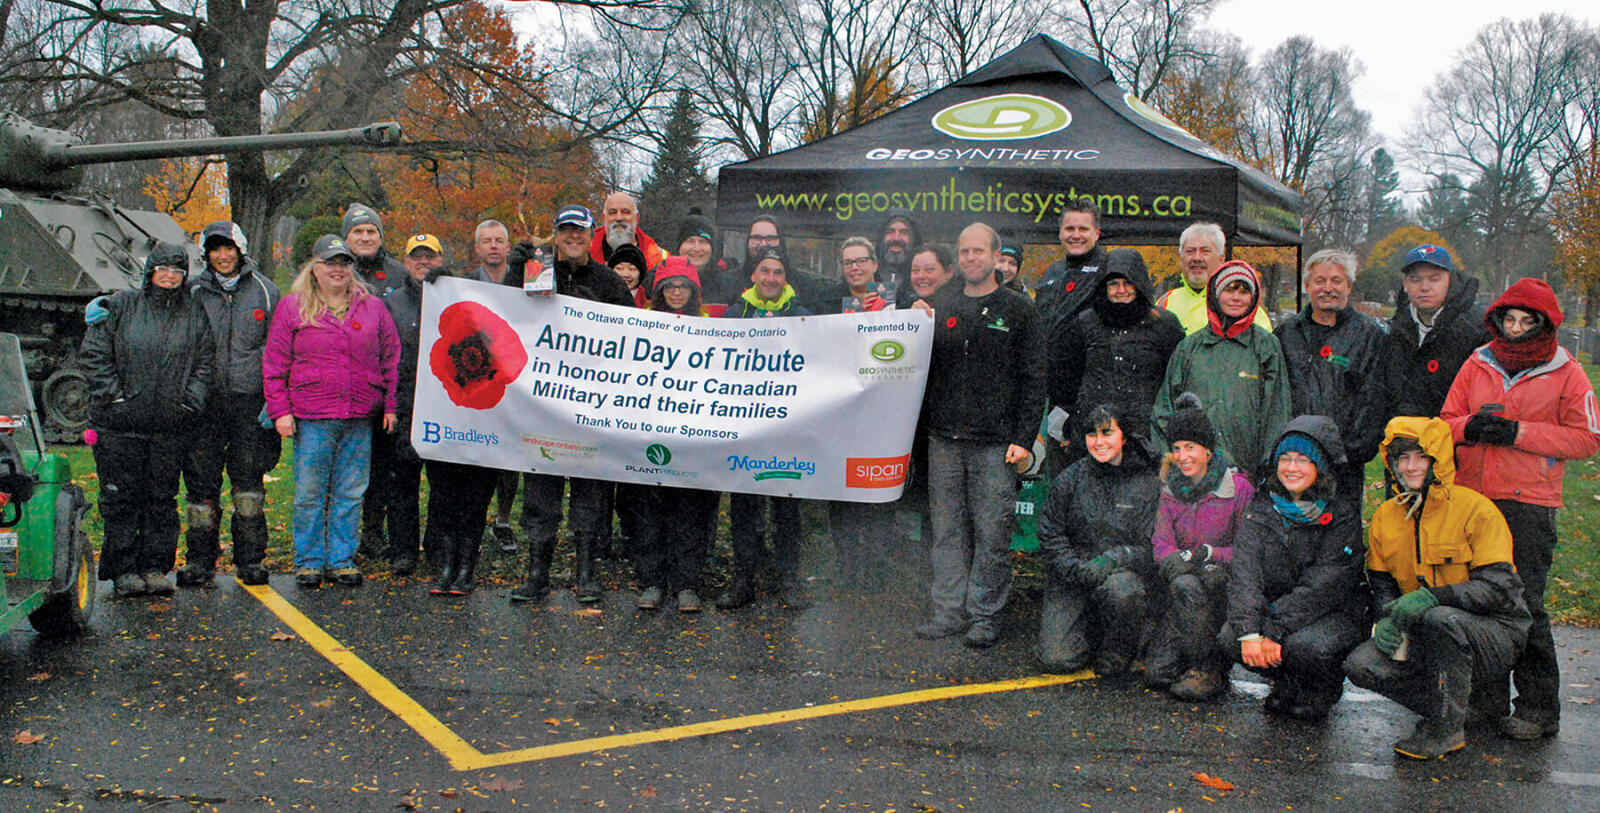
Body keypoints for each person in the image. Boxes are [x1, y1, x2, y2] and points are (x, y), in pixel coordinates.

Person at [1440, 278, 1600, 740]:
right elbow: (1446, 421)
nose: (1514, 329)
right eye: (1508, 320)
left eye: (1525, 322)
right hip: (1474, 498)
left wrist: (1519, 434)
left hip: (1529, 502)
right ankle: (1484, 701)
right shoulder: (1478, 361)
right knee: (1477, 600)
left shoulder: (1567, 372)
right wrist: (1474, 427)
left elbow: (1587, 437)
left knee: (1524, 602)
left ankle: (1538, 706)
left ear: (1544, 324)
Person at [1345, 417, 1530, 760]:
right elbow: (1382, 585)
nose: (1410, 466)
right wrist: (1386, 620)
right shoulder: (1386, 516)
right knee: (1361, 664)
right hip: (1427, 632)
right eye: (1402, 458)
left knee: (1441, 619)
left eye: (1420, 456)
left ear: (1438, 460)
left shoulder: (1476, 510)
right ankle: (1462, 708)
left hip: (1496, 632)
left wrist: (1433, 597)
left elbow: (1499, 589)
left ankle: (1445, 731)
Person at [912, 223, 1044, 648]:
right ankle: (948, 611)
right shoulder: (939, 305)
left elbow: (1032, 377)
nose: (971, 258)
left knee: (992, 533)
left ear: (995, 256)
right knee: (947, 532)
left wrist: (1024, 437)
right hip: (944, 439)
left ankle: (984, 614)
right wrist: (911, 323)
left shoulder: (1019, 309)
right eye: (964, 251)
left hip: (995, 444)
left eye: (978, 251)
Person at [507, 205, 635, 604]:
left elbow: (633, 339)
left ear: (591, 234)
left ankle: (586, 574)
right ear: (556, 234)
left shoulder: (609, 281)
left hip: (589, 406)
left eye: (580, 231)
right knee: (540, 495)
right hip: (543, 404)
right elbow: (509, 317)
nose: (573, 237)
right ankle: (537, 574)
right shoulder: (538, 272)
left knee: (589, 497)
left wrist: (593, 307)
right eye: (566, 231)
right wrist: (513, 272)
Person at [262, 235, 400, 588]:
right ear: (315, 268)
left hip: (358, 415)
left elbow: (390, 358)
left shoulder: (372, 307)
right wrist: (280, 410)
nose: (338, 270)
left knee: (350, 492)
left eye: (344, 263)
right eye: (330, 263)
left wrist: (389, 404)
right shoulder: (293, 307)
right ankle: (309, 560)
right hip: (312, 415)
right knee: (310, 492)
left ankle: (341, 558)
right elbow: (275, 362)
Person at [80, 242, 214, 598]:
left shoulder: (193, 312)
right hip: (121, 423)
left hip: (170, 425)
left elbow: (204, 361)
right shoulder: (122, 305)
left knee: (161, 499)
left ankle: (155, 566)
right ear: (149, 272)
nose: (169, 278)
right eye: (163, 270)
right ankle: (123, 568)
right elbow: (95, 354)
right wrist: (114, 396)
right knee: (121, 498)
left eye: (177, 272)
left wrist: (190, 402)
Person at [1221, 417, 1367, 720]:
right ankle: (1285, 682)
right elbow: (1245, 571)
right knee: (1230, 637)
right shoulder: (1261, 507)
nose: (1291, 467)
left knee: (1305, 646)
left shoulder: (1341, 513)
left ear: (1320, 466)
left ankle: (1320, 688)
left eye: (1303, 459)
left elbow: (1325, 585)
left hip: (1329, 613)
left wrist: (1274, 629)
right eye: (1285, 458)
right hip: (1279, 610)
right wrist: (1250, 632)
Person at [177, 221, 280, 588]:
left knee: (248, 487)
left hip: (250, 405)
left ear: (241, 250)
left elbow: (280, 349)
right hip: (203, 407)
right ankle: (200, 561)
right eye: (215, 250)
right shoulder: (191, 293)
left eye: (229, 248)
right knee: (201, 490)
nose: (223, 256)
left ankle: (251, 559)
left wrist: (275, 400)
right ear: (206, 254)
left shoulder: (266, 292)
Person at [716, 248, 813, 609]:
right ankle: (744, 579)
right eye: (764, 271)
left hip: (787, 429)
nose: (771, 278)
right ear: (753, 276)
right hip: (745, 427)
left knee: (787, 508)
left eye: (778, 272)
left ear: (786, 278)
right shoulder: (733, 314)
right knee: (744, 506)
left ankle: (789, 579)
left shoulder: (804, 317)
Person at [1034, 404, 1163, 675]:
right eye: (1092, 435)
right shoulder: (1070, 477)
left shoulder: (1147, 483)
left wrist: (1113, 559)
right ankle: (1090, 630)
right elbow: (1050, 532)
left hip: (1118, 575)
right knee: (1056, 659)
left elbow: (1152, 546)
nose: (1099, 442)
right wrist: (1073, 567)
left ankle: (1118, 648)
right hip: (1073, 574)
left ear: (1124, 437)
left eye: (1107, 433)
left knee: (1124, 592)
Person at [1145, 396, 1254, 700]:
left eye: (1190, 447)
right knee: (1157, 674)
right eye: (1176, 448)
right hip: (1185, 586)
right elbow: (1162, 543)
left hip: (1223, 585)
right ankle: (1190, 654)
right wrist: (1176, 560)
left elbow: (1249, 550)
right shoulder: (1171, 490)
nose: (1182, 456)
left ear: (1208, 450)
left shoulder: (1238, 489)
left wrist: (1211, 554)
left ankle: (1210, 665)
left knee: (1201, 581)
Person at [633, 257, 720, 613]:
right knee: (650, 512)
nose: (677, 292)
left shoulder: (711, 326)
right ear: (659, 291)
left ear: (695, 290)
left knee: (691, 512)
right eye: (670, 286)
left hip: (694, 435)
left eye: (684, 286)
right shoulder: (644, 325)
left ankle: (687, 584)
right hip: (650, 431)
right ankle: (652, 581)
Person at [1272, 250, 1387, 515]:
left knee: (1339, 541)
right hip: (1293, 459)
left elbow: (1373, 402)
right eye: (1320, 281)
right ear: (1308, 286)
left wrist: (1345, 453)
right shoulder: (1286, 334)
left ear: (1348, 286)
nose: (1327, 289)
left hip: (1344, 465)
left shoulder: (1369, 337)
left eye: (1336, 281)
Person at [1151, 260, 1289, 477]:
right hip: (1193, 472)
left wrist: (1268, 466)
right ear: (1215, 294)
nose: (1236, 298)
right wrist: (1169, 459)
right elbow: (1165, 408)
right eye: (1229, 289)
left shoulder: (1266, 346)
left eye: (1244, 291)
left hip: (1246, 471)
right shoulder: (1190, 347)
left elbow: (1277, 411)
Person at [1049, 250, 1183, 463]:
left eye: (1128, 283)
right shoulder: (1085, 323)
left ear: (1139, 284)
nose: (1121, 290)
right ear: (1103, 286)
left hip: (1146, 437)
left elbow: (1177, 381)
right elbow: (1065, 380)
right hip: (1093, 434)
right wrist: (1062, 427)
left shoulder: (1164, 324)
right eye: (1113, 284)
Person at [379, 234, 446, 578]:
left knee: (441, 485)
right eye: (416, 257)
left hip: (444, 406)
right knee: (402, 484)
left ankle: (435, 547)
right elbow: (382, 356)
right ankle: (403, 550)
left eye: (430, 257)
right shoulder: (392, 303)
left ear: (440, 259)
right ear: (405, 263)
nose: (423, 262)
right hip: (404, 406)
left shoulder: (454, 296)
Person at [1372, 244, 1486, 421]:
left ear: (1450, 281)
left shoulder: (1477, 330)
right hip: (1398, 439)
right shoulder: (1395, 330)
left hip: (1452, 438)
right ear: (1405, 284)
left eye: (1434, 279)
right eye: (1416, 279)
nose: (1424, 287)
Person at [1156, 222, 1271, 335]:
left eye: (1205, 251)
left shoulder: (1240, 306)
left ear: (1221, 259)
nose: (1197, 258)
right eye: (1190, 251)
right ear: (1181, 259)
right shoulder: (1166, 302)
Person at [1033, 198, 1109, 329]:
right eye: (1069, 229)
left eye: (1083, 229)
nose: (1076, 235)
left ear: (1096, 234)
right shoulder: (1052, 271)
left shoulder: (1108, 269)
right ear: (1060, 233)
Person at [589, 191, 670, 269]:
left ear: (636, 218)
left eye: (626, 212)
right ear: (604, 218)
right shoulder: (585, 253)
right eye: (613, 212)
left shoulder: (660, 259)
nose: (619, 218)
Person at [676, 210, 739, 306]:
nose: (696, 248)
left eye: (702, 241)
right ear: (679, 247)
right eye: (690, 241)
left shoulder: (729, 285)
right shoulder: (660, 281)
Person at [341, 202, 405, 295]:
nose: (365, 238)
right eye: (358, 232)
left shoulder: (398, 273)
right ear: (346, 239)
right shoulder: (336, 274)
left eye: (371, 232)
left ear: (380, 238)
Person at [819, 237, 891, 314]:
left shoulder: (893, 297)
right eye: (847, 263)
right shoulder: (827, 301)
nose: (854, 267)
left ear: (875, 265)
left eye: (861, 261)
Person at [876, 209, 922, 304]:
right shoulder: (870, 276)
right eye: (890, 231)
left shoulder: (922, 279)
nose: (896, 238)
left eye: (904, 232)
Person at [467, 219, 512, 284]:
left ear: (508, 247)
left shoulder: (524, 282)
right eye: (486, 241)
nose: (493, 246)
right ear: (477, 248)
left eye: (499, 241)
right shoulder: (466, 284)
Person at [608, 243, 651, 309]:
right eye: (619, 268)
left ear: (641, 274)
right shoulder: (597, 297)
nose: (625, 274)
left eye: (632, 269)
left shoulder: (651, 304)